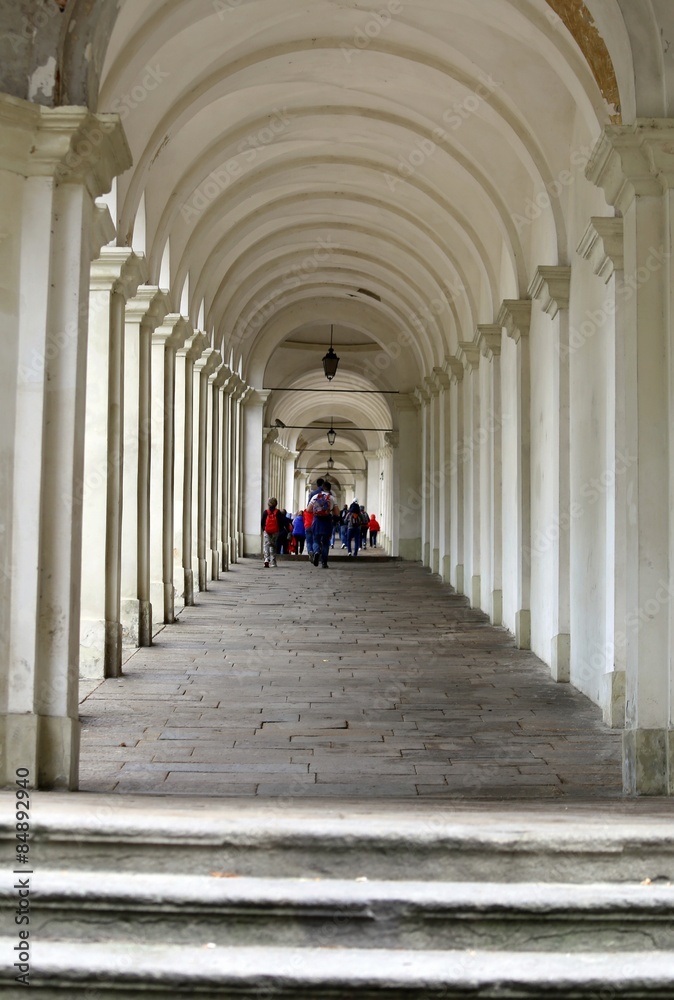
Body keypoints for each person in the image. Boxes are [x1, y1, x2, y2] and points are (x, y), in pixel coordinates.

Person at [307, 480, 340, 568]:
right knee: (326, 542)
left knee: (316, 540)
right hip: (327, 521)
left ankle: (317, 552)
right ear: (329, 489)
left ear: (322, 487)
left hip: (317, 521)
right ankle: (324, 562)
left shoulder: (315, 496)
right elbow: (337, 513)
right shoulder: (332, 498)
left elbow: (308, 510)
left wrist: (316, 510)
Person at [261, 498, 281, 568]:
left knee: (266, 544)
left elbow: (262, 522)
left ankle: (266, 559)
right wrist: (279, 530)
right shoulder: (278, 512)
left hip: (267, 530)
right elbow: (280, 523)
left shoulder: (266, 512)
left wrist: (264, 529)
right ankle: (273, 561)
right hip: (275, 531)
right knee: (273, 545)